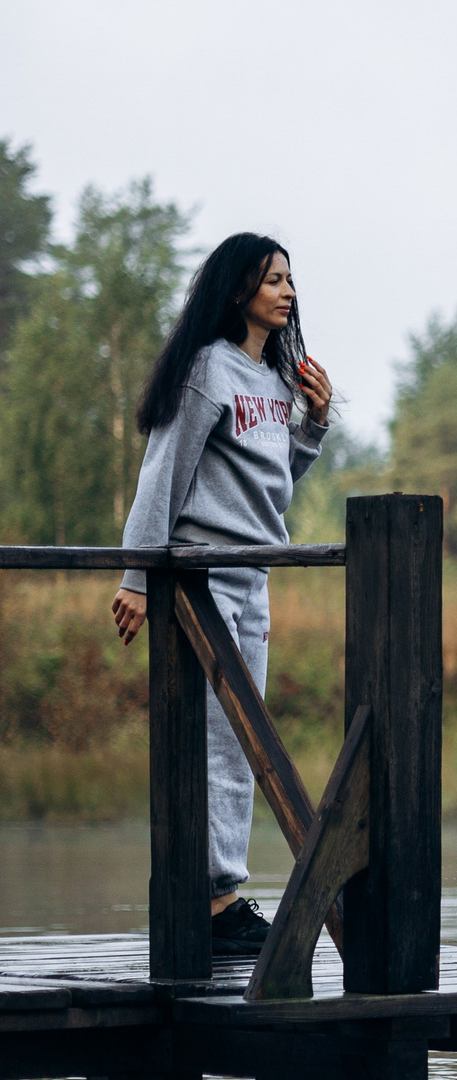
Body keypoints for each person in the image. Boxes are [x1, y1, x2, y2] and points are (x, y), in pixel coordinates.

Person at [109, 233, 333, 955]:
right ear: (239, 289)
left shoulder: (272, 382)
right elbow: (161, 475)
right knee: (210, 739)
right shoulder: (209, 369)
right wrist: (138, 576)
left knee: (243, 743)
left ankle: (220, 895)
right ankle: (211, 897)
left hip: (253, 577)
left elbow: (274, 490)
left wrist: (314, 424)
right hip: (200, 580)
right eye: (273, 279)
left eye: (290, 280)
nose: (286, 291)